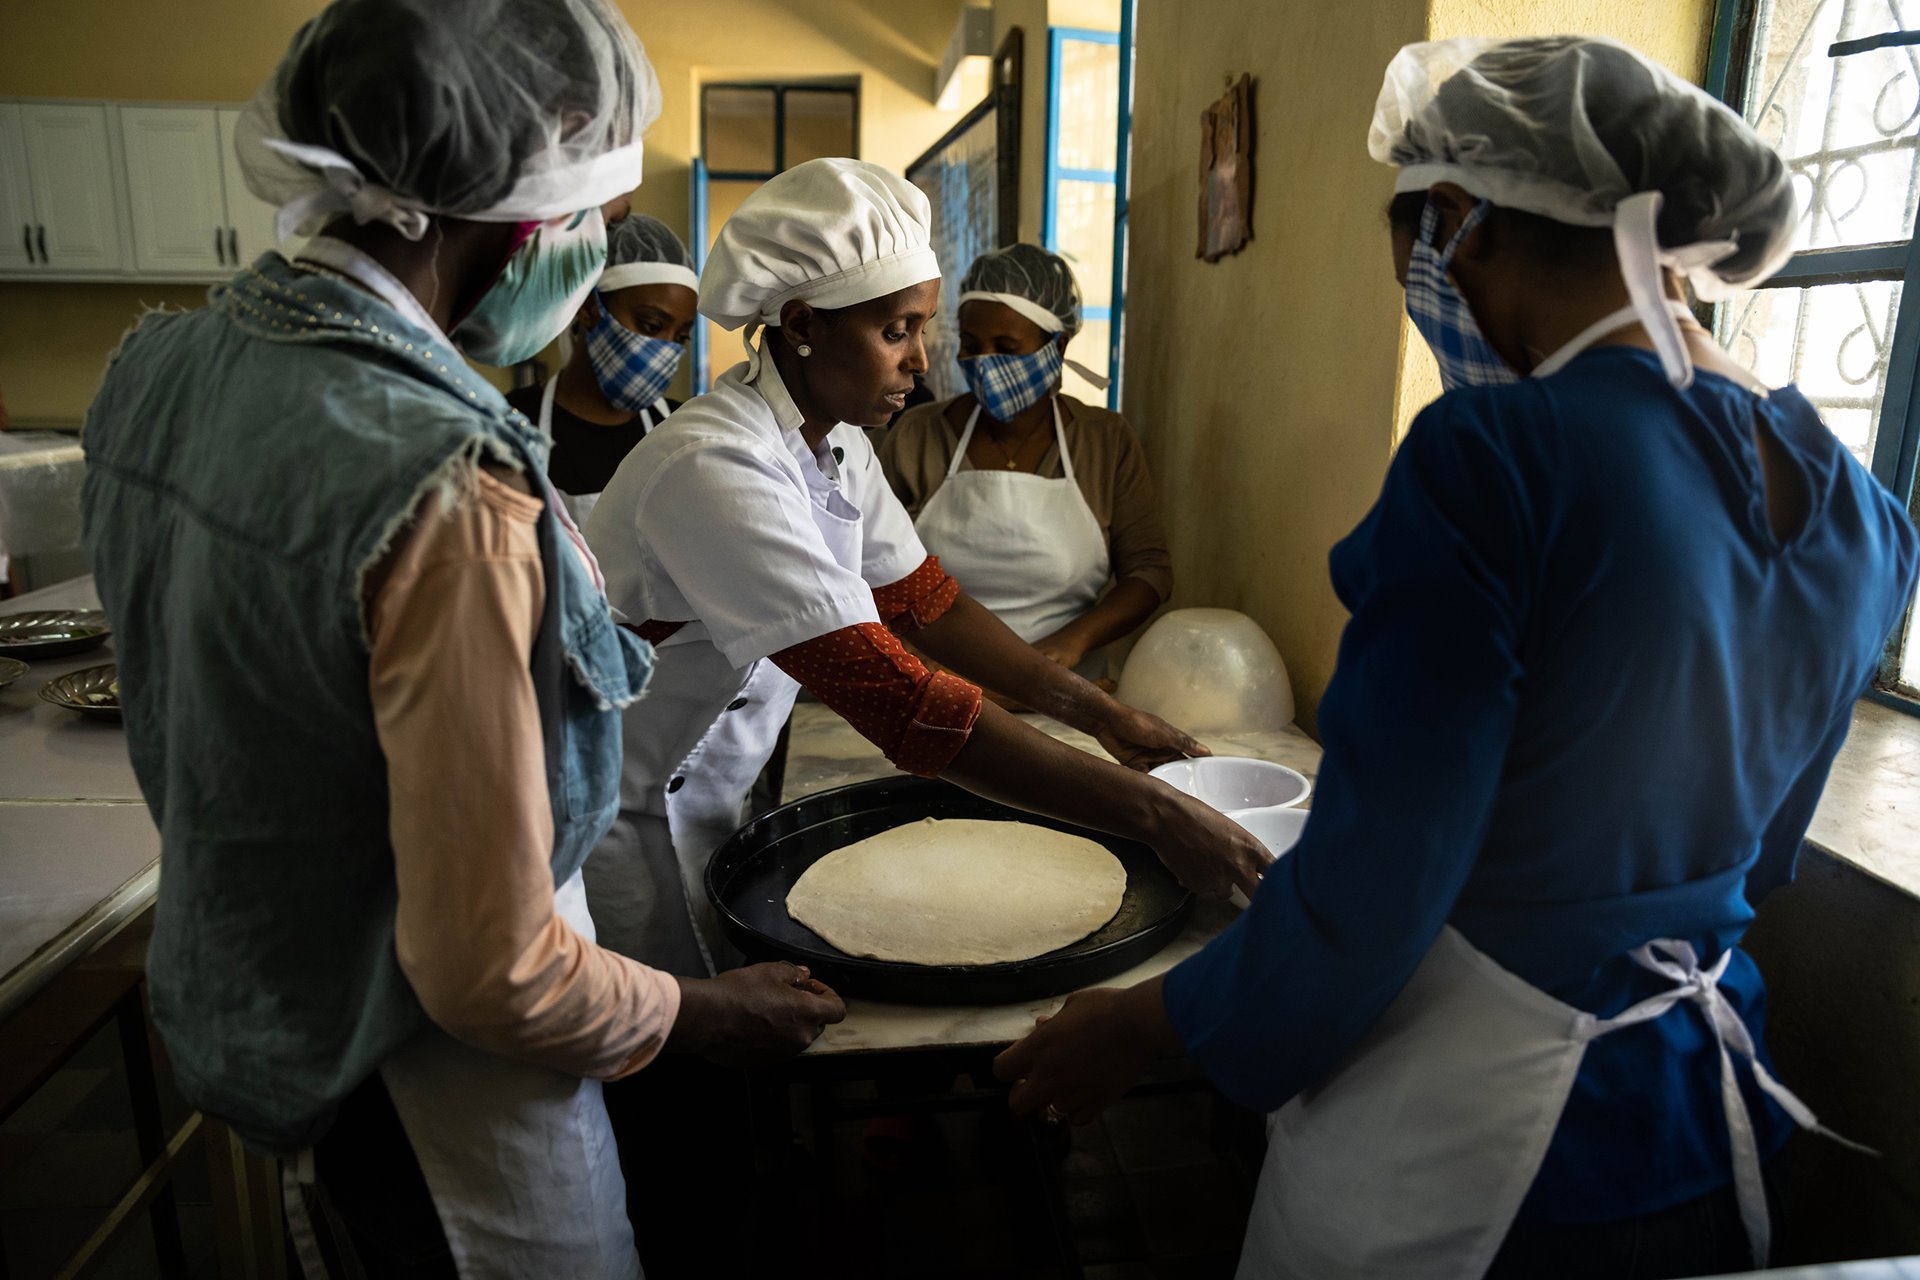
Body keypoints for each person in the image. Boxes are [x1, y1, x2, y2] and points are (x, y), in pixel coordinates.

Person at [993, 35, 1919, 1280]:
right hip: (1700, 1110)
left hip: (1477, 1144)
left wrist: (1146, 1021)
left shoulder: (1490, 456)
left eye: (1425, 256)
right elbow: (1763, 847)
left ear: (1460, 221)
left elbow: (1379, 881)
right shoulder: (1863, 505)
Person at [79, 3, 844, 1275]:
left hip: (284, 1006)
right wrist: (702, 1012)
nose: (592, 256)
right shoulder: (446, 488)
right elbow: (496, 972)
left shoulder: (161, 372)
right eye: (590, 216)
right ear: (515, 219)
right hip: (456, 1104)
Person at [583, 157, 1268, 978]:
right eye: (896, 331)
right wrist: (1155, 814)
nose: (922, 364)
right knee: (654, 1068)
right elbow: (899, 700)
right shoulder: (712, 465)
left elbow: (927, 605)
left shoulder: (832, 442)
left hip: (708, 799)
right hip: (619, 821)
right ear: (802, 323)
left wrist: (1099, 715)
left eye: (923, 331)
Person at [879, 243, 1171, 681]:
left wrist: (1070, 643)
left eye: (1006, 347)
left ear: (1059, 346)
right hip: (930, 683)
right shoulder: (918, 435)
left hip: (1068, 689)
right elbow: (866, 565)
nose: (985, 363)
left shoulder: (1103, 441)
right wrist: (908, 651)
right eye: (972, 345)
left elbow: (1149, 571)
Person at [506, 213, 699, 527]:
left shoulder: (682, 431)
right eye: (651, 325)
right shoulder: (512, 424)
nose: (665, 349)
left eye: (680, 337)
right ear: (587, 308)